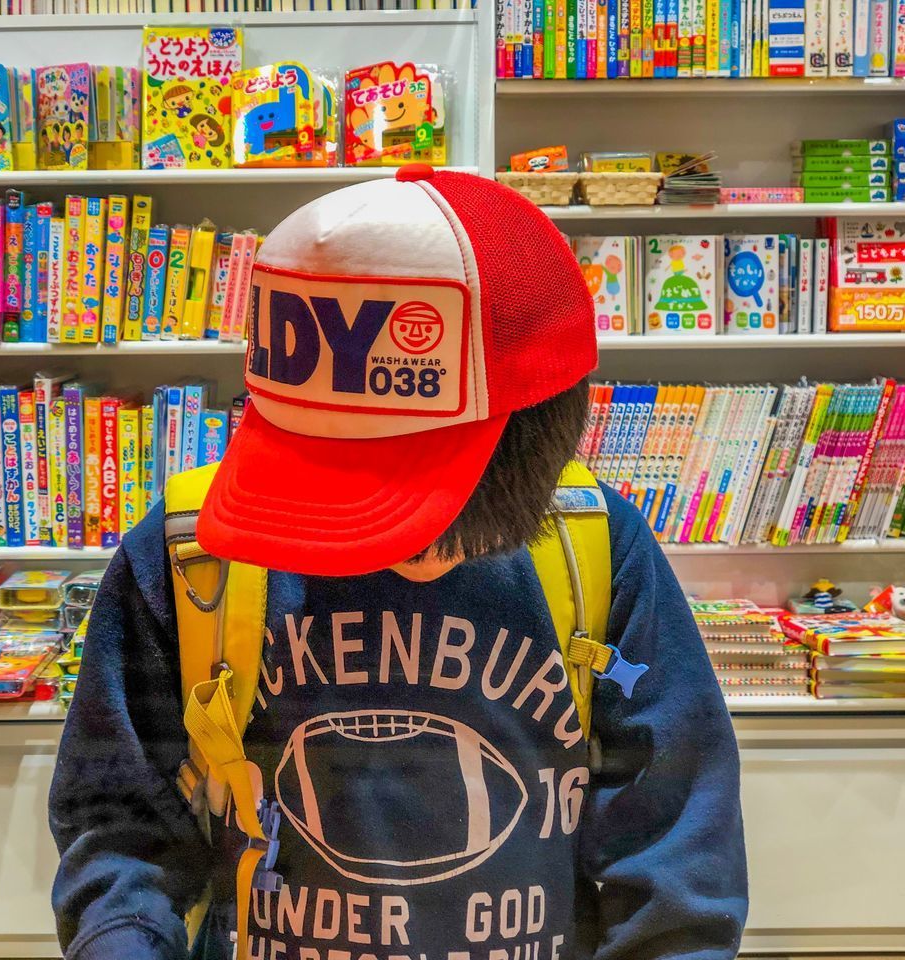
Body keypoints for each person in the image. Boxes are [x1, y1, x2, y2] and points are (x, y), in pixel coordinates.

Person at [49, 167, 748, 960]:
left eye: (416, 497)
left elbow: (674, 845)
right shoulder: (190, 558)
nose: (376, 542)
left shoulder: (599, 550)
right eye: (332, 484)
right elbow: (118, 828)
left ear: (541, 438)